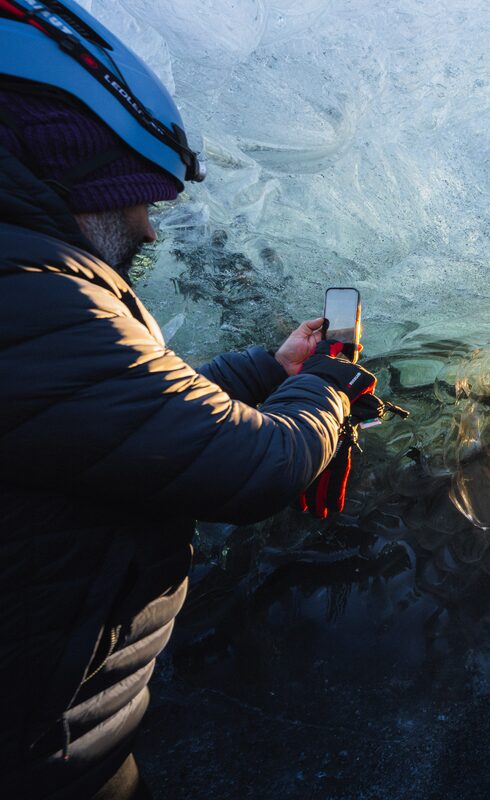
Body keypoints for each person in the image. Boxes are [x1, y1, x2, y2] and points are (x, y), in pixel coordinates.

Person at [0, 2, 377, 797]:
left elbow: (116, 417)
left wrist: (270, 370)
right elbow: (250, 465)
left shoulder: (29, 293)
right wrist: (331, 383)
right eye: (131, 197)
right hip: (40, 757)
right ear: (70, 178)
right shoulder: (28, 294)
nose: (148, 223)